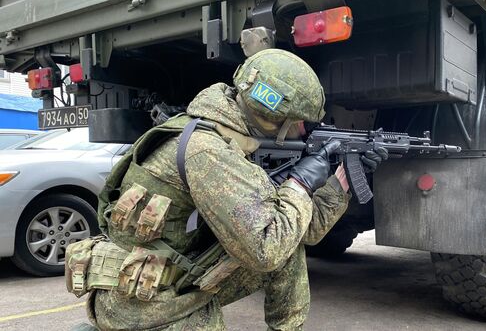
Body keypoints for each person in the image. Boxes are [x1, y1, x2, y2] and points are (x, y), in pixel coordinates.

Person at [65, 49, 387, 330]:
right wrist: (300, 183)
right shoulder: (210, 153)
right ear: (278, 118)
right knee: (277, 245)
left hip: (163, 278)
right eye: (302, 122)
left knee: (288, 245)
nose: (305, 130)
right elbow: (266, 249)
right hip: (144, 303)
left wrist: (340, 183)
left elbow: (299, 231)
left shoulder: (217, 136)